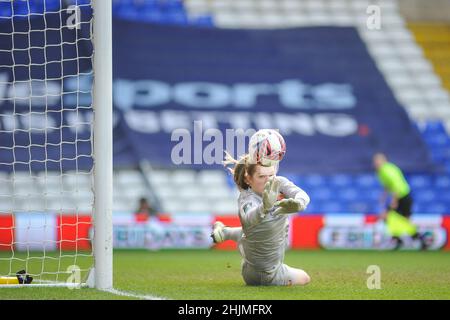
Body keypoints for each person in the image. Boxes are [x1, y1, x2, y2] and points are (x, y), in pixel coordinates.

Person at [212, 152, 311, 286]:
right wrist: (264, 207)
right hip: (269, 275)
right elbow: (248, 219)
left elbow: (301, 194)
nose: (268, 180)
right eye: (261, 176)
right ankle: (226, 232)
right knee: (305, 278)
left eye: (271, 175)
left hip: (250, 266)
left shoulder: (278, 182)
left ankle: (225, 232)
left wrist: (300, 203)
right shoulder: (247, 199)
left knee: (256, 232)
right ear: (248, 179)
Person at [373, 153, 427, 249]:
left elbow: (396, 185)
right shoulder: (381, 172)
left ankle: (417, 239)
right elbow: (388, 185)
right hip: (400, 196)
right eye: (375, 161)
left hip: (403, 196)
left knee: (400, 219)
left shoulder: (387, 170)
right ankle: (398, 239)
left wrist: (394, 200)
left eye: (378, 161)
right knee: (391, 217)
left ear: (383, 160)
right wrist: (383, 196)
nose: (376, 163)